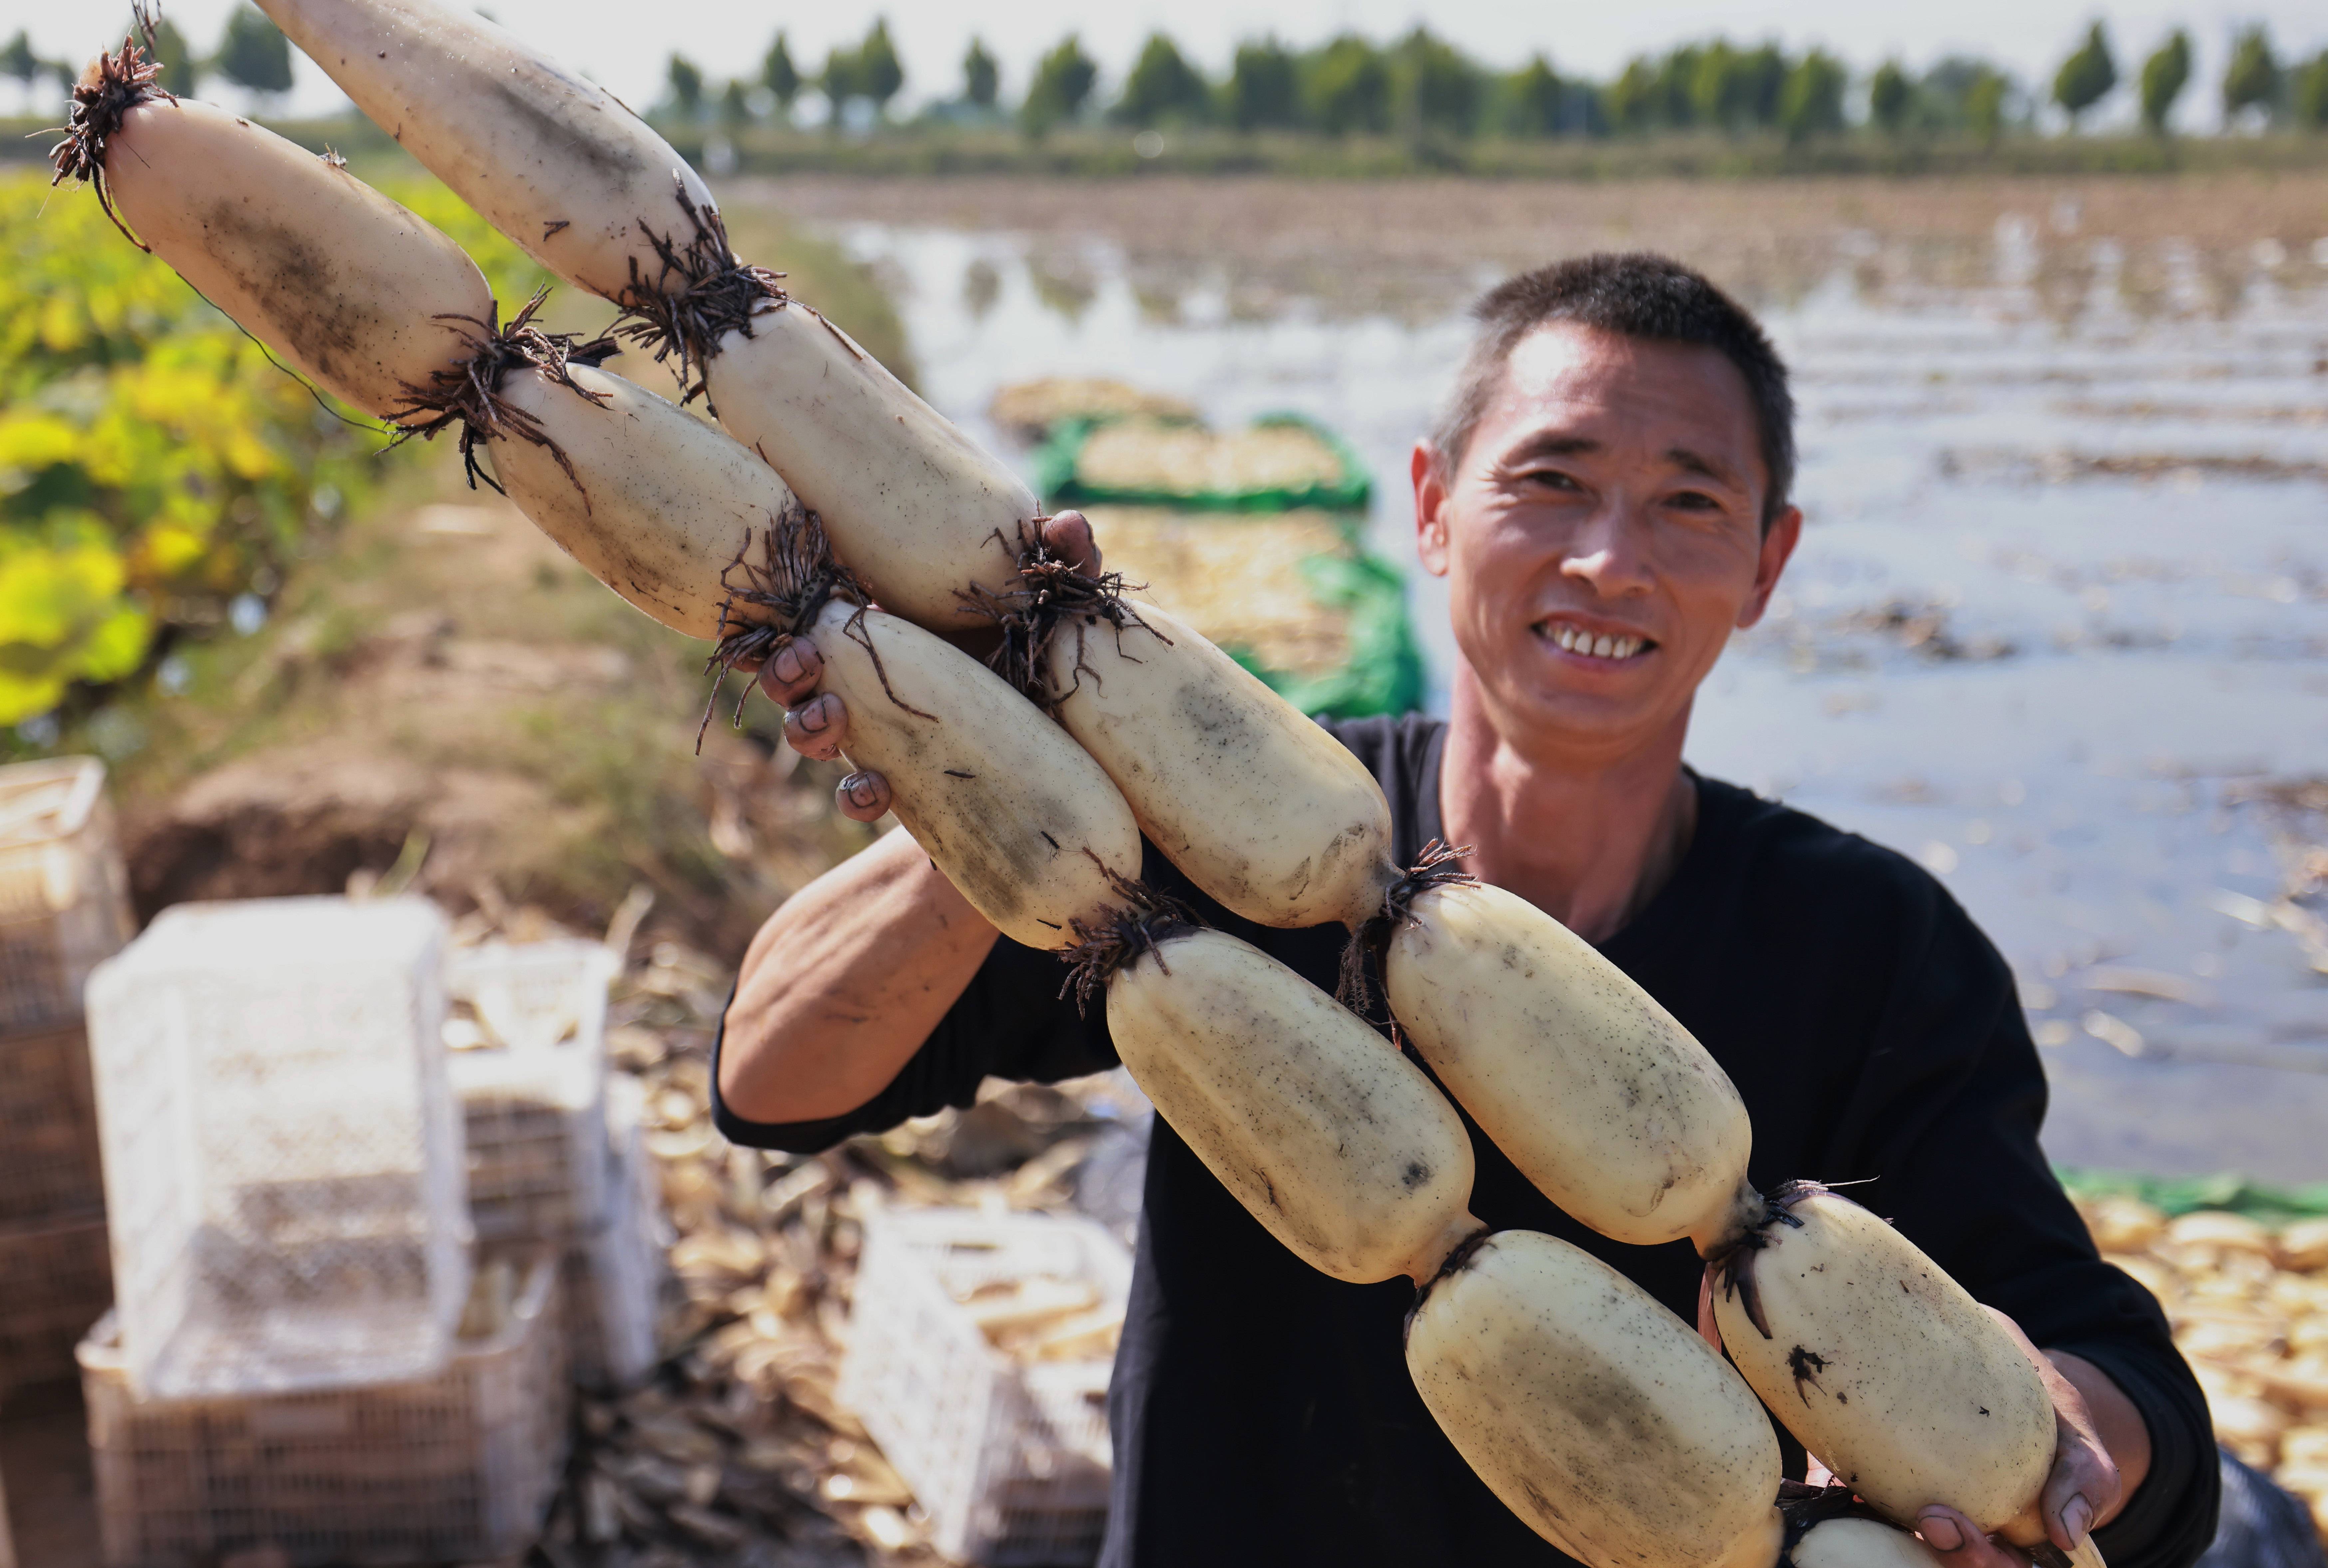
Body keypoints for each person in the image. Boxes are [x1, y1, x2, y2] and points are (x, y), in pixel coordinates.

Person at [713, 253, 2218, 1568]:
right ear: (1430, 510)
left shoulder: (1870, 946)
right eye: (1547, 480)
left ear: (1767, 564)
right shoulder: (1222, 837)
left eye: (1686, 504)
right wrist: (993, 760)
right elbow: (773, 1082)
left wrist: (2052, 1452)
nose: (1605, 561)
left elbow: (2110, 1373)